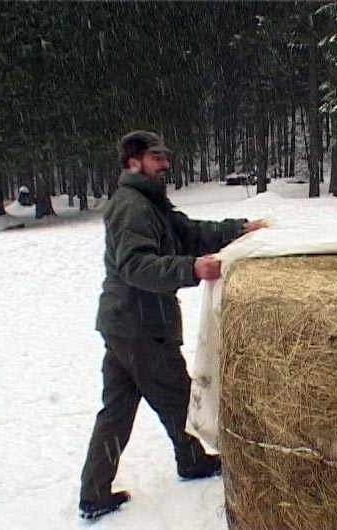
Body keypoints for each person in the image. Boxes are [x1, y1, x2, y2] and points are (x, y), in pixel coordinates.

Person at [79, 130, 266, 520]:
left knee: (117, 408)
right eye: (156, 157)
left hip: (124, 322)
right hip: (140, 324)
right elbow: (135, 265)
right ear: (134, 162)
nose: (165, 164)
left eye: (165, 157)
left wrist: (238, 229)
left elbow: (188, 232)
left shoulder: (148, 202)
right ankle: (192, 460)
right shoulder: (133, 206)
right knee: (178, 395)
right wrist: (192, 269)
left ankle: (95, 493)